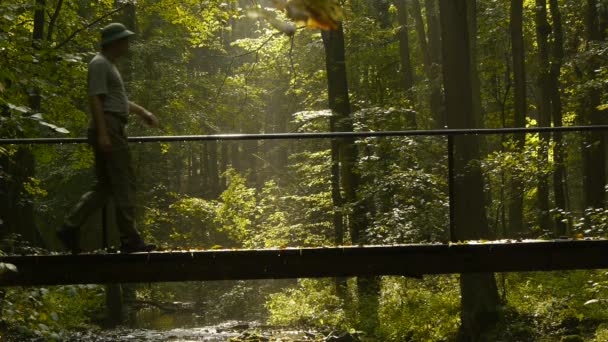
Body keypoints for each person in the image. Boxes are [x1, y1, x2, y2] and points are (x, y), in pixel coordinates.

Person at [57, 23, 158, 254]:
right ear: (114, 42)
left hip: (111, 126)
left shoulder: (108, 65)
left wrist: (143, 112)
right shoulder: (100, 64)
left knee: (105, 186)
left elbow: (117, 100)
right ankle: (130, 239)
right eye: (124, 40)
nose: (127, 44)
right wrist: (104, 133)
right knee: (124, 182)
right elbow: (96, 100)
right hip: (109, 128)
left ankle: (70, 227)